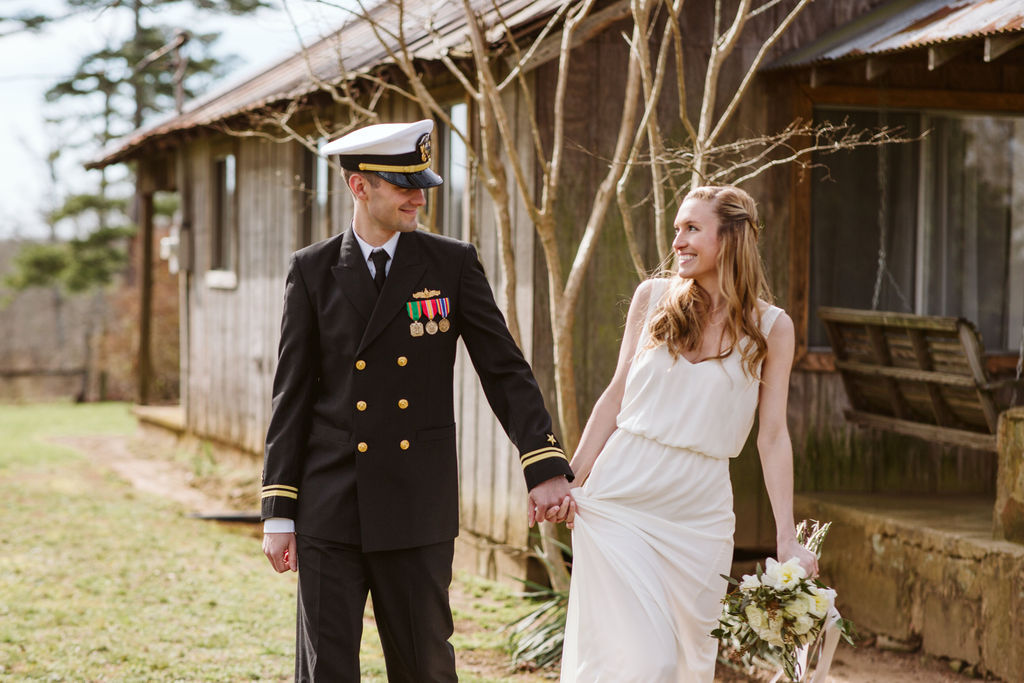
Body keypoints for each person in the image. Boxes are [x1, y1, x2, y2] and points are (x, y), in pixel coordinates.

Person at [260, 119, 575, 682]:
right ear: (360, 186)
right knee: (327, 667)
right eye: (402, 184)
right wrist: (279, 509)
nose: (418, 195)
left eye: (422, 183)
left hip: (415, 501)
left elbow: (503, 369)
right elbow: (292, 397)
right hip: (331, 501)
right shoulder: (311, 271)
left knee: (425, 665)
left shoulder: (450, 263)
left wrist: (545, 464)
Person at [559, 185, 818, 682]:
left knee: (683, 667)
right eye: (677, 228)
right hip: (622, 499)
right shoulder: (652, 298)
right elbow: (615, 397)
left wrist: (787, 538)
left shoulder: (772, 328)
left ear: (732, 239)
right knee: (643, 662)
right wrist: (570, 480)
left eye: (692, 229)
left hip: (699, 518)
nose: (677, 240)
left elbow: (773, 436)